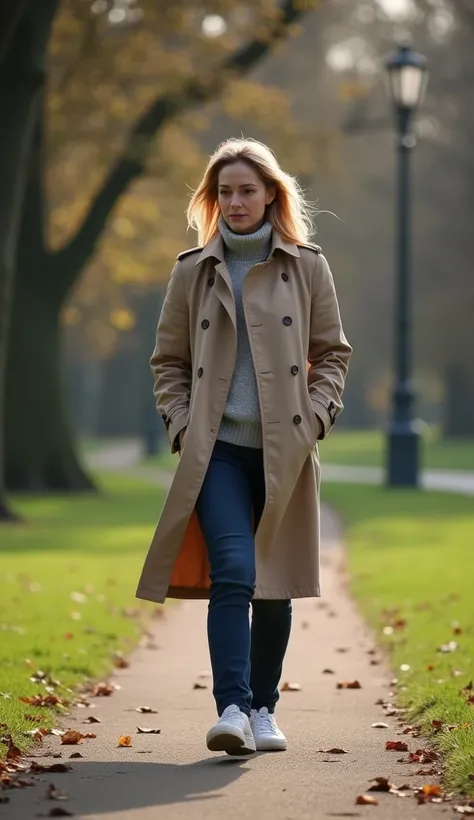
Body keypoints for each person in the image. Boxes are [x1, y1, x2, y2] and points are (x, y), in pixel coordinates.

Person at [136, 138, 352, 756]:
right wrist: (181, 425)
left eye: (247, 191)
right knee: (234, 571)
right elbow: (168, 362)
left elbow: (333, 353)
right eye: (224, 192)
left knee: (273, 584)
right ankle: (231, 708)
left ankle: (264, 709)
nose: (235, 202)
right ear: (213, 200)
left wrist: (314, 416)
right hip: (218, 453)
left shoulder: (308, 266)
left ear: (271, 196)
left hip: (285, 451)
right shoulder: (191, 270)